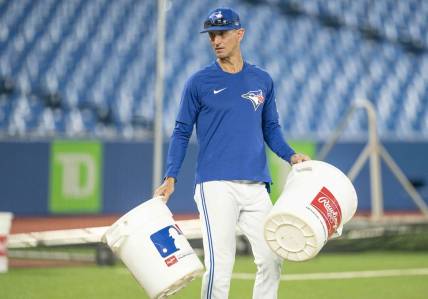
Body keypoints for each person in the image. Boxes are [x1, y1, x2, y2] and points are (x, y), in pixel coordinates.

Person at [154, 7, 310, 299]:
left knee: (272, 259)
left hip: (255, 185)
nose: (216, 40)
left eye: (222, 33)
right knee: (219, 264)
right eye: (212, 35)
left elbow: (271, 127)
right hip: (216, 185)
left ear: (240, 34)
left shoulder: (262, 79)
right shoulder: (198, 82)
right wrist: (171, 176)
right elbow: (181, 131)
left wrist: (290, 155)